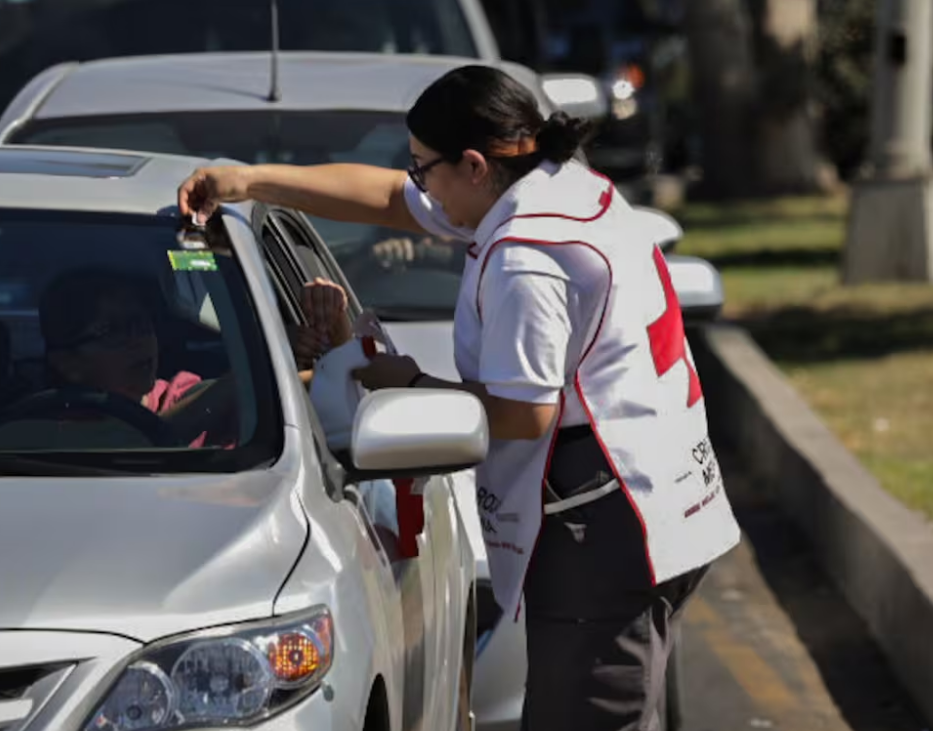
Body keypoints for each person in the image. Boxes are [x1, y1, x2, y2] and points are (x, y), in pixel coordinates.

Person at [177, 65, 741, 730]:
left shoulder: (526, 256)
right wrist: (249, 179)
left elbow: (523, 413)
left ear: (474, 164)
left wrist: (410, 386)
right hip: (665, 501)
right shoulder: (561, 185)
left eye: (424, 169)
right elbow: (387, 199)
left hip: (609, 527)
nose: (416, 185)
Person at [38, 269, 349, 445]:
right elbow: (145, 440)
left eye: (141, 323)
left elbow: (339, 392)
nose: (139, 339)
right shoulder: (33, 432)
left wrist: (336, 334)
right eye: (111, 330)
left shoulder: (194, 396)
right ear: (67, 364)